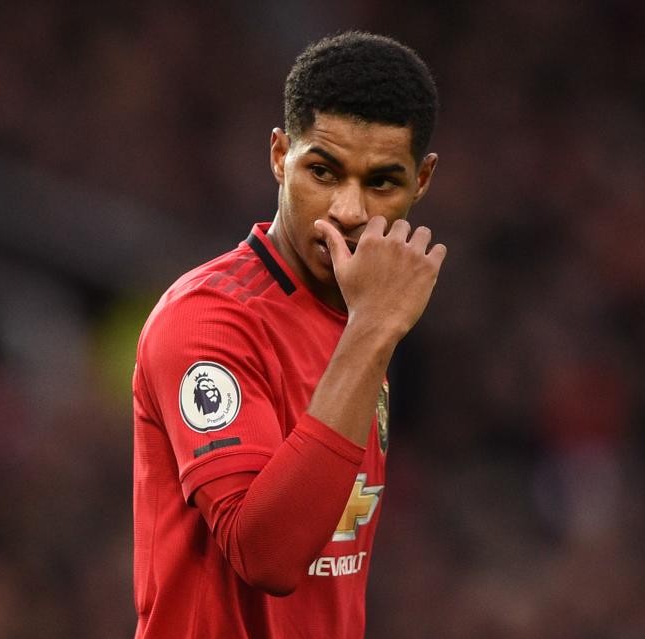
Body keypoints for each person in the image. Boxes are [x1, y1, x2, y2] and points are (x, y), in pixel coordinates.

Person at [132, 30, 446, 638]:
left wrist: (368, 328)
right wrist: (373, 333)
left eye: (382, 182)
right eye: (323, 172)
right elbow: (268, 556)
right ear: (280, 155)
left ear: (422, 180)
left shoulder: (359, 315)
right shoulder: (207, 320)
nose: (350, 211)